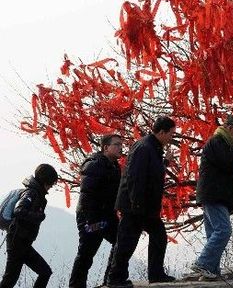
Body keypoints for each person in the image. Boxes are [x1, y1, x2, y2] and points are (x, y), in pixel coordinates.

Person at [107, 117, 177, 287]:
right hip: (135, 205)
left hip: (145, 206)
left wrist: (165, 162)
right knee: (127, 242)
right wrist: (136, 203)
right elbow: (135, 176)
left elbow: (152, 170)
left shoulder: (152, 147)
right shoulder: (145, 147)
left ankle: (156, 274)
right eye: (171, 134)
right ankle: (115, 278)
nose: (171, 138)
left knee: (158, 236)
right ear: (162, 132)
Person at [191, 115, 233, 280]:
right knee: (223, 230)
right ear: (230, 128)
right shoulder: (218, 141)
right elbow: (227, 163)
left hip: (213, 194)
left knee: (213, 234)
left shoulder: (221, 142)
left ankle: (211, 272)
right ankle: (203, 263)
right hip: (214, 195)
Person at [69, 134, 123, 288]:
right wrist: (92, 222)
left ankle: (111, 280)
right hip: (91, 218)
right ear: (106, 148)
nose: (120, 147)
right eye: (117, 144)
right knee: (86, 253)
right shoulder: (94, 165)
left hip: (107, 217)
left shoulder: (114, 166)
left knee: (121, 240)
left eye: (121, 144)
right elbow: (87, 196)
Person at [0, 164, 58, 288]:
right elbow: (19, 210)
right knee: (10, 279)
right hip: (17, 242)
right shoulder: (31, 193)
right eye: (51, 183)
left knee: (45, 272)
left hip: (22, 242)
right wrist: (38, 216)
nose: (51, 186)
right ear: (45, 181)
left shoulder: (35, 192)